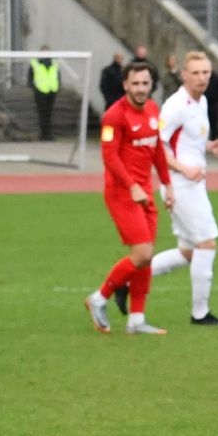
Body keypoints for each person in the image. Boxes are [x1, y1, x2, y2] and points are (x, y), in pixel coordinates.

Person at [83, 59, 172, 336]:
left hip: (145, 192)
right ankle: (99, 298)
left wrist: (168, 185)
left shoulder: (154, 111)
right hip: (122, 194)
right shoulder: (114, 116)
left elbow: (157, 151)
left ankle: (136, 319)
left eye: (145, 83)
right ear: (125, 85)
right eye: (135, 83)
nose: (141, 88)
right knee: (143, 253)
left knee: (146, 257)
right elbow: (109, 156)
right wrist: (132, 185)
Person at [147, 51, 218, 328]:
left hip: (192, 183)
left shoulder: (202, 101)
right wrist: (183, 169)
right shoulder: (175, 106)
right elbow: (156, 146)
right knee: (207, 243)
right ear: (184, 74)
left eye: (206, 72)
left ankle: (129, 281)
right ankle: (200, 314)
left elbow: (188, 141)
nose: (201, 78)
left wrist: (210, 147)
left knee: (188, 252)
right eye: (195, 73)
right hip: (180, 185)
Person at [29, 48, 60, 143]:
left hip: (52, 91)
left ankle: (48, 134)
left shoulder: (54, 63)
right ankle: (43, 134)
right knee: (42, 114)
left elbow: (57, 76)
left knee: (49, 114)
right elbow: (30, 78)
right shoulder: (35, 64)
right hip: (40, 91)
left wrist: (57, 87)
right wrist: (35, 88)